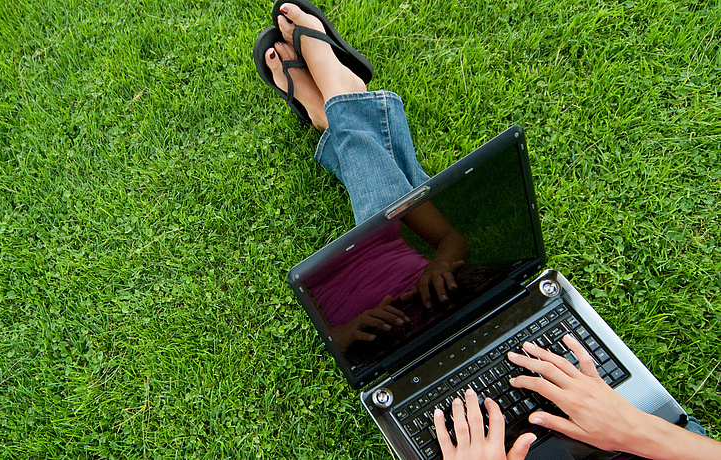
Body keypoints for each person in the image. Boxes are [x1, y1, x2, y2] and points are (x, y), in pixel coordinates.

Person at [254, 1, 720, 459]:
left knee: (385, 214)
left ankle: (338, 106)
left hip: (399, 323)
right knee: (398, 213)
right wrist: (637, 430)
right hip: (656, 443)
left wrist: (344, 332)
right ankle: (338, 103)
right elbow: (451, 244)